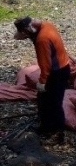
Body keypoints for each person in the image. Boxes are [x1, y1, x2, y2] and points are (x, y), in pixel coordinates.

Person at [14, 16, 71, 144]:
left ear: (27, 30)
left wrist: (42, 81)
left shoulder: (42, 40)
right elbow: (17, 35)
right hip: (63, 67)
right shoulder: (47, 25)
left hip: (56, 73)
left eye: (24, 34)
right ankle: (46, 126)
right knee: (43, 99)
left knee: (54, 103)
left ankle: (58, 133)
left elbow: (46, 65)